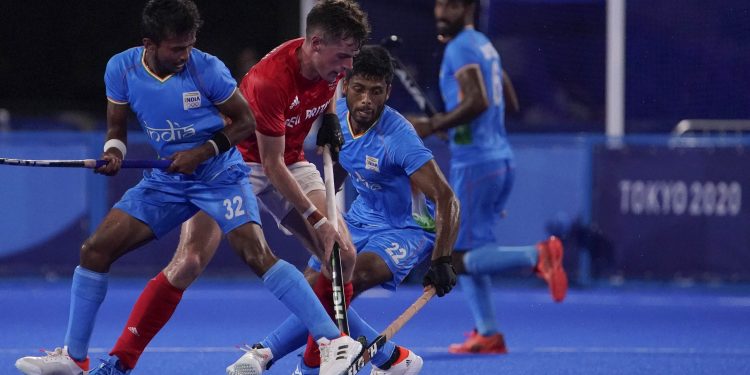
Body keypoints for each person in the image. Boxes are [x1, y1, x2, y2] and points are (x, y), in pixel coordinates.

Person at [14, 1, 361, 375]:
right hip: (169, 180)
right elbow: (116, 132)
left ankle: (333, 342)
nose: (185, 55)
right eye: (177, 48)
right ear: (149, 43)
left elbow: (244, 122)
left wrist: (202, 151)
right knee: (95, 250)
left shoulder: (207, 68)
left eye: (190, 45)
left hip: (220, 173)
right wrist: (112, 154)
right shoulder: (121, 69)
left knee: (257, 253)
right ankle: (74, 357)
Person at [225, 45, 459, 375]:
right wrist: (313, 204)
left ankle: (280, 357)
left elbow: (448, 199)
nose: (366, 100)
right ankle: (392, 358)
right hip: (361, 216)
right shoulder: (339, 124)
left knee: (352, 278)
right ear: (345, 86)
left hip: (406, 227)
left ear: (388, 92)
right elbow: (346, 166)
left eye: (376, 92)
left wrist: (442, 259)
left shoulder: (399, 138)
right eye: (359, 89)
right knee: (314, 284)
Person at [408, 0, 568, 354]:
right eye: (437, 4)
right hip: (498, 158)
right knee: (472, 249)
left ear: (467, 8)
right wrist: (460, 126)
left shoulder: (459, 47)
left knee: (457, 257)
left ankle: (537, 256)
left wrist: (434, 124)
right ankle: (489, 332)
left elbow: (479, 100)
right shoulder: (483, 45)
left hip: (477, 164)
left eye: (449, 6)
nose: (439, 12)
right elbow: (506, 101)